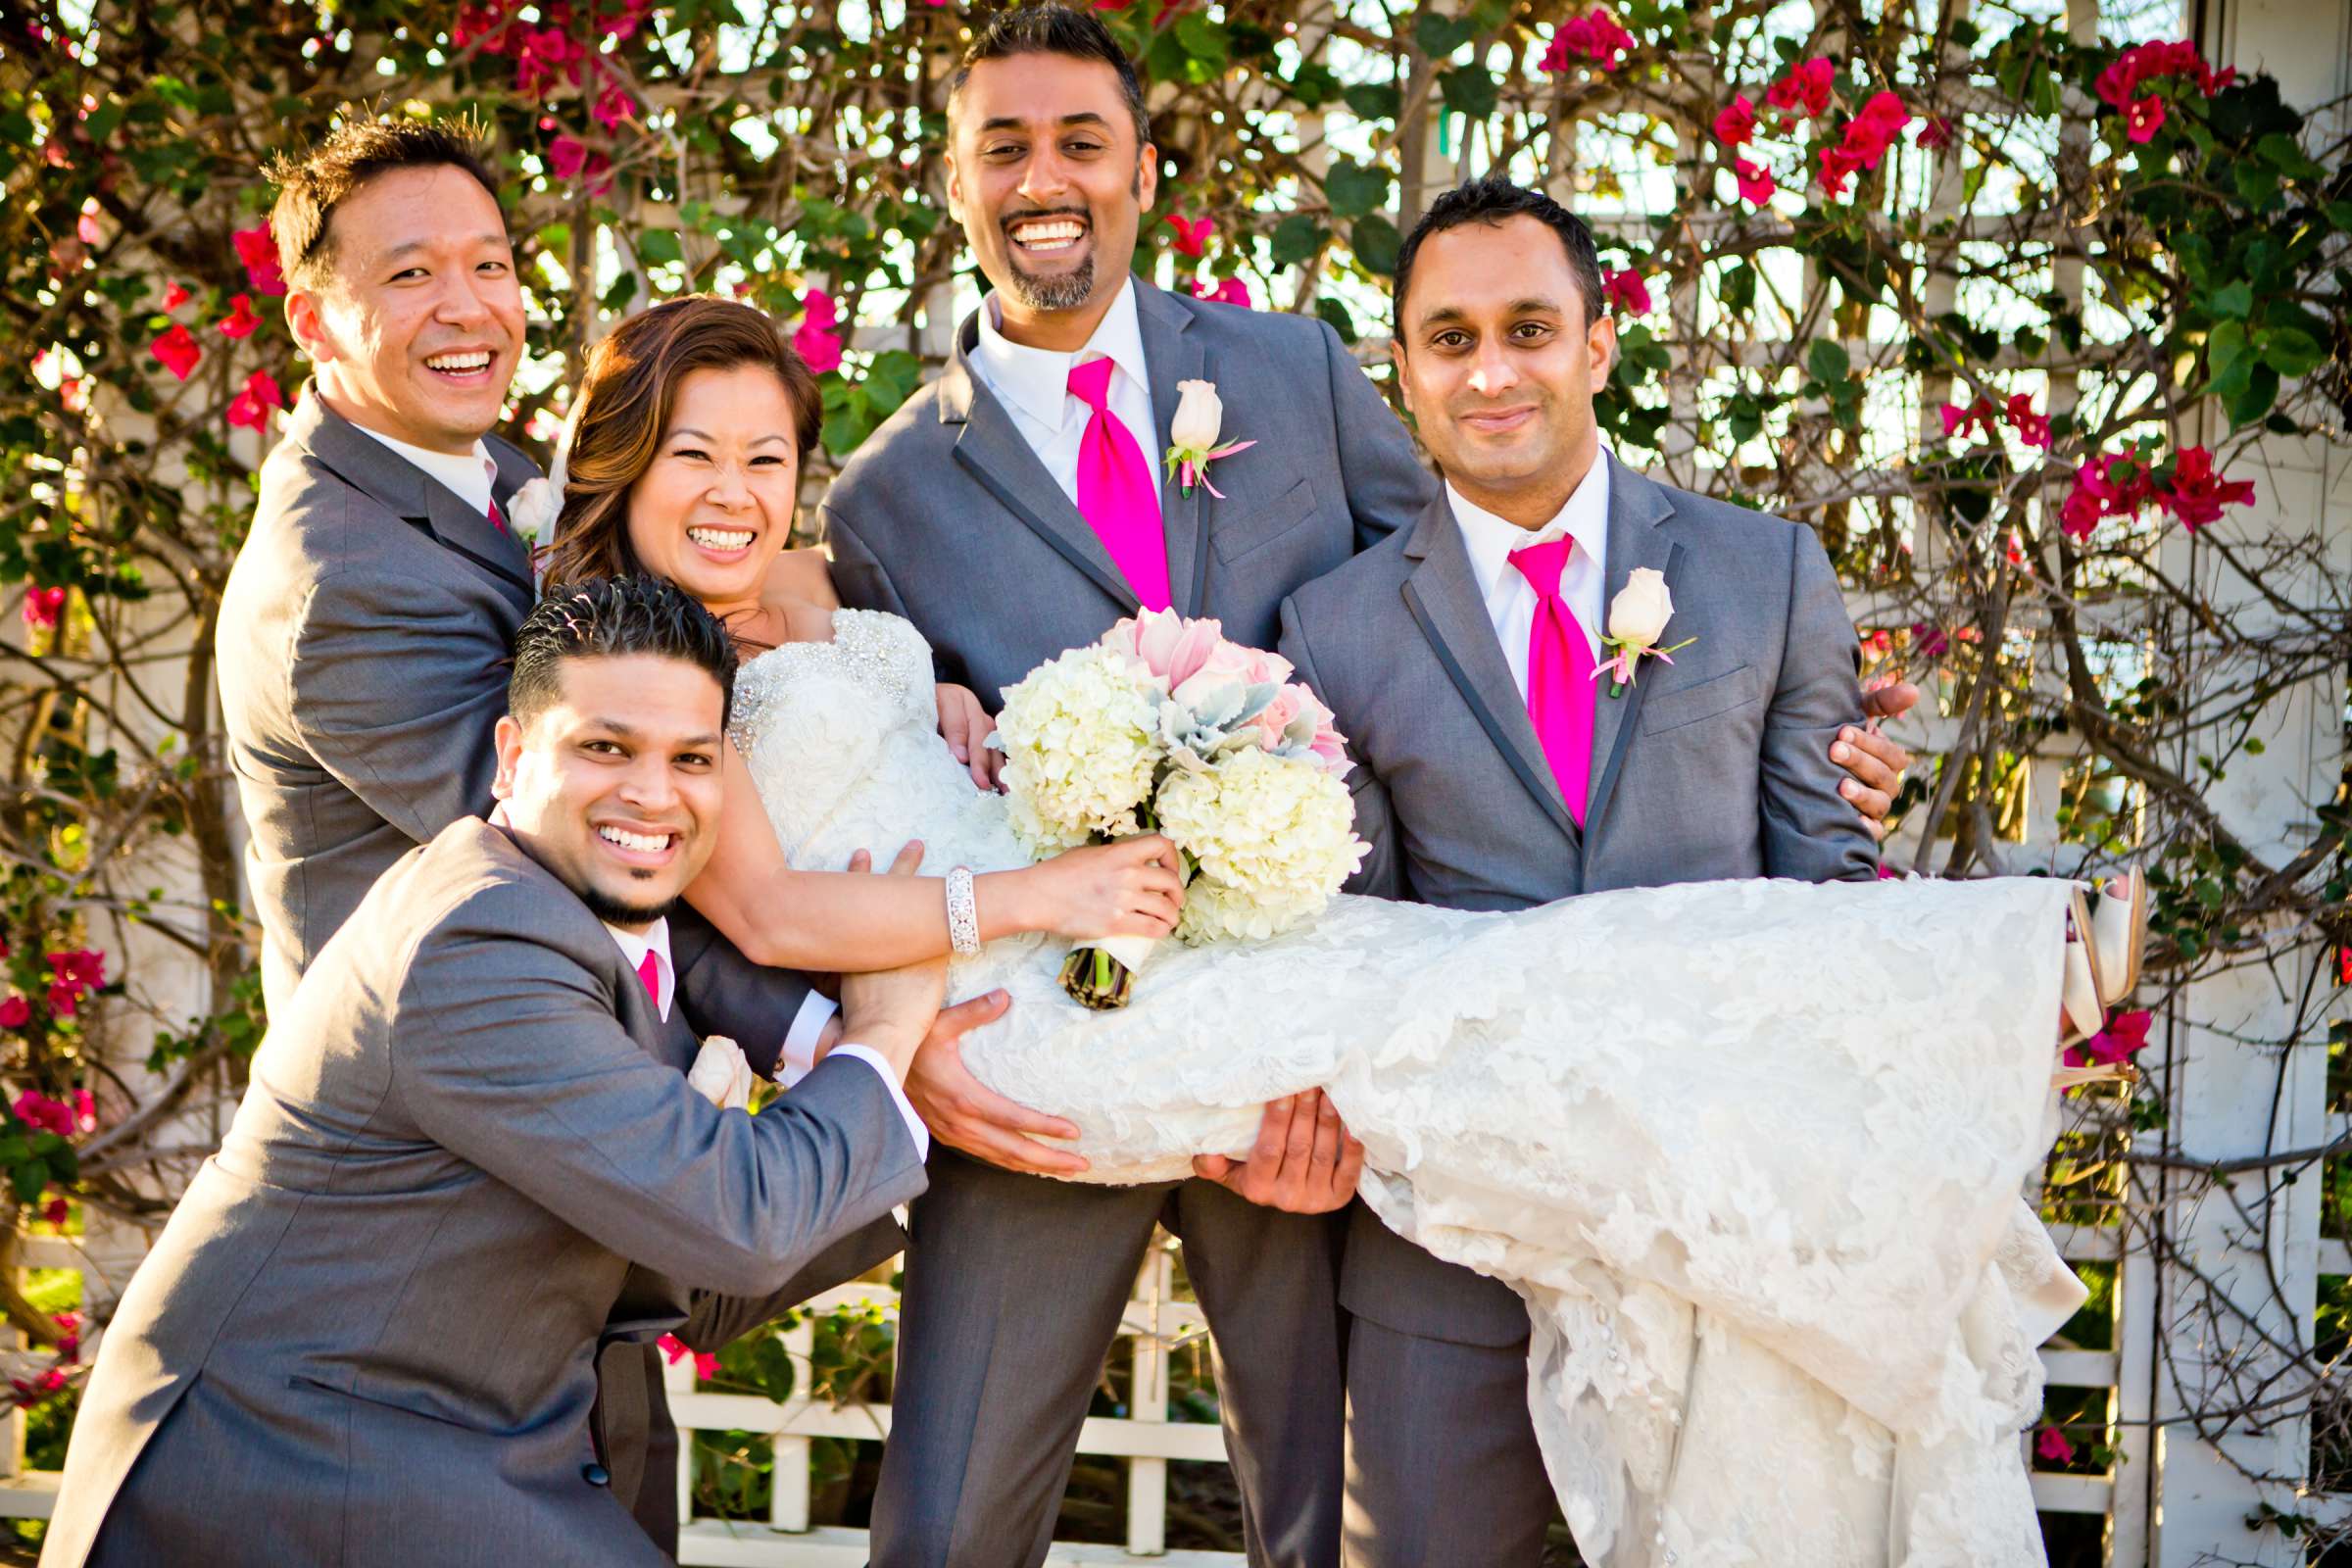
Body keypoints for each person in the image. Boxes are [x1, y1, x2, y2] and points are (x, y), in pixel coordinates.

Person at [808, 11, 1915, 1562]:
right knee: (949, 1518)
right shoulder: (883, 498)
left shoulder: (1294, 372)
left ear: (1139, 167)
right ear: (951, 181)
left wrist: (1772, 705)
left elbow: (1458, 601)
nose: (1044, 177)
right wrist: (903, 1037)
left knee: (1333, 1527)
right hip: (1054, 1065)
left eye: (1080, 141)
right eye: (1004, 146)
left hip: (1319, 1059)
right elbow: (871, 788)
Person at [209, 114, 1007, 1548]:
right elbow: (612, 857)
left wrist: (899, 667)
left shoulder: (479, 477)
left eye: (491, 263)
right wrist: (856, 1037)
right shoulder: (343, 587)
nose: (467, 308)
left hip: (557, 1249)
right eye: (409, 277)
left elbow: (710, 569)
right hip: (422, 1290)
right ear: (312, 309)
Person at [44, 576, 964, 1568]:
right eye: (605, 747)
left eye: (691, 759)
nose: (654, 794)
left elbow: (682, 1283)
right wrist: (880, 1034)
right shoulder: (481, 940)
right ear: (514, 756)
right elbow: (735, 1220)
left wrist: (932, 1145)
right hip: (282, 1461)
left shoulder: (597, 936)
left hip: (424, 1447)